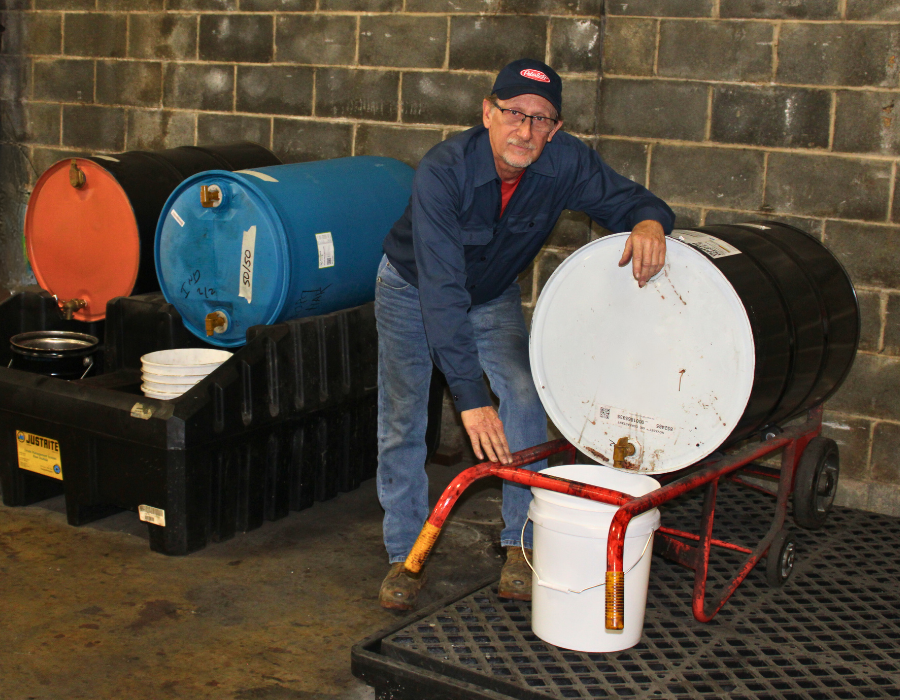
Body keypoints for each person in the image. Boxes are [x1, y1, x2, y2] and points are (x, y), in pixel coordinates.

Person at [375, 58, 674, 610]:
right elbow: (441, 293)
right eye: (514, 114)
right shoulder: (445, 170)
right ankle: (405, 552)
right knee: (403, 411)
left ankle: (522, 542)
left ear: (555, 129)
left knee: (522, 390)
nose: (526, 131)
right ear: (488, 113)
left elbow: (631, 199)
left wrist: (650, 221)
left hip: (491, 295)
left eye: (542, 120)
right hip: (414, 289)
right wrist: (469, 397)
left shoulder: (566, 161)